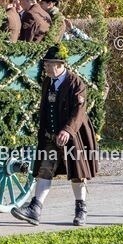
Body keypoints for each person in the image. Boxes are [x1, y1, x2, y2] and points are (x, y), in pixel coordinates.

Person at [11, 44, 99, 226]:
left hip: (74, 136)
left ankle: (81, 210)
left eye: (49, 64)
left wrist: (67, 130)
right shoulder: (47, 82)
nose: (45, 67)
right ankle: (35, 209)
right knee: (44, 170)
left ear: (59, 65)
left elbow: (79, 111)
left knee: (77, 174)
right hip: (51, 136)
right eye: (45, 63)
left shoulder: (76, 83)